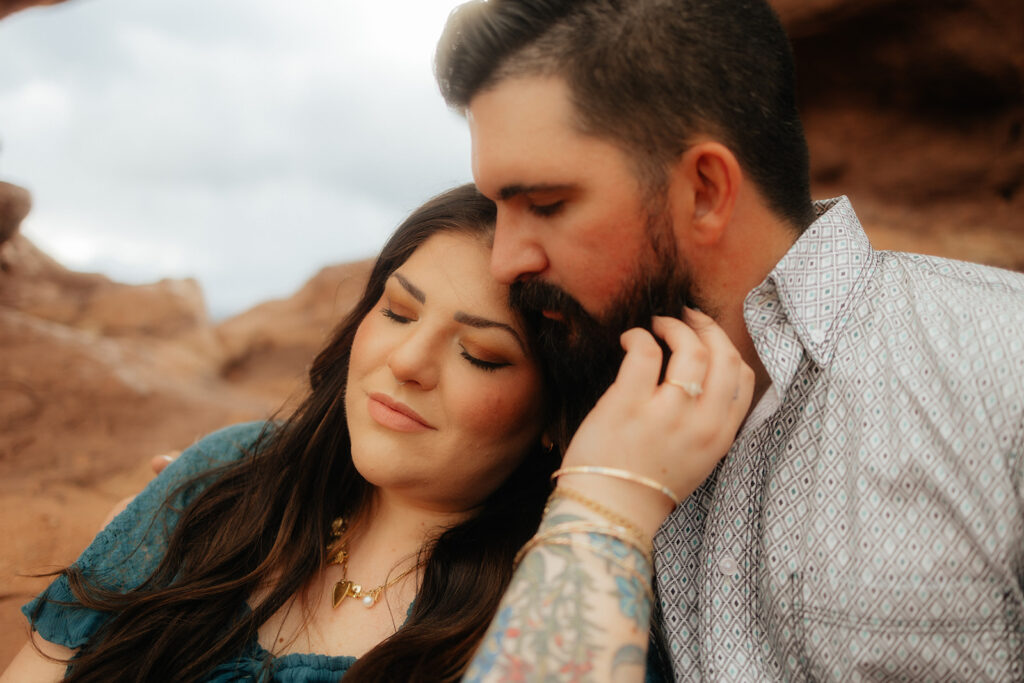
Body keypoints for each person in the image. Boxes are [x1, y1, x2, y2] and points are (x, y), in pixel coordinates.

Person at [435, 1, 1024, 680]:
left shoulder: (1002, 362)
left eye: (544, 205)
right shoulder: (549, 410)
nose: (504, 260)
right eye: (498, 208)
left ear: (706, 190)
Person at [1, 184, 751, 682]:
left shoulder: (567, 607)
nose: (408, 361)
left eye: (480, 353)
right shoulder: (220, 480)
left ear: (558, 419)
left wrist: (615, 497)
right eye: (396, 311)